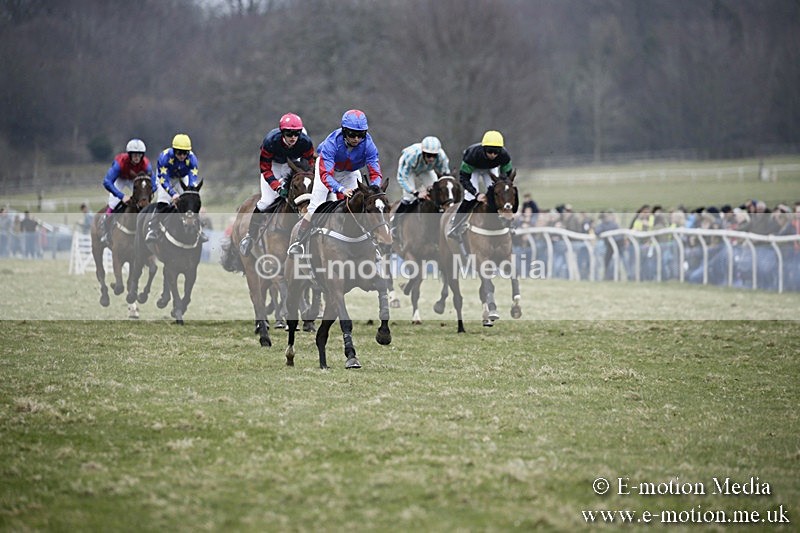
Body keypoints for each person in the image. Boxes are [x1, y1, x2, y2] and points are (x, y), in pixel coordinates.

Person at [287, 109, 382, 255]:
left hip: (349, 172)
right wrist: (341, 190)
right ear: (344, 131)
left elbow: (375, 172)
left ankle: (370, 243)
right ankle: (299, 242)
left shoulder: (369, 145)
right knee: (315, 206)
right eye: (352, 134)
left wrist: (374, 189)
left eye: (360, 134)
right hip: (326, 171)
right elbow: (326, 176)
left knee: (359, 204)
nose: (356, 138)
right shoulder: (331, 143)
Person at [239, 113, 316, 255]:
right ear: (282, 133)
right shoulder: (270, 141)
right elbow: (265, 168)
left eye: (296, 133)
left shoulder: (305, 142)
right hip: (272, 166)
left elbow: (310, 165)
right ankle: (249, 237)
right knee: (266, 201)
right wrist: (277, 187)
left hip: (292, 165)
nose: (293, 137)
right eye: (289, 133)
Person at [446, 130, 513, 258]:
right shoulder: (472, 155)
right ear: (484, 149)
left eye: (496, 152)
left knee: (496, 195)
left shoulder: (504, 156)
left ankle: (506, 222)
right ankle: (456, 224)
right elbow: (464, 178)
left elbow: (507, 179)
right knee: (470, 197)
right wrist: (476, 194)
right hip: (474, 169)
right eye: (489, 151)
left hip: (490, 170)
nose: (493, 155)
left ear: (500, 151)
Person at [145, 133, 206, 244]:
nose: (182, 156)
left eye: (185, 153)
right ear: (174, 150)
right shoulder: (164, 157)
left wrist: (189, 192)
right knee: (163, 201)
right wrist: (173, 194)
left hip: (182, 177)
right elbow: (163, 179)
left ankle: (199, 229)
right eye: (179, 152)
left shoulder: (192, 159)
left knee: (190, 201)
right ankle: (152, 228)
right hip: (165, 178)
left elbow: (192, 178)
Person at [390, 136, 450, 241]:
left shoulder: (442, 157)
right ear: (423, 153)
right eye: (428, 155)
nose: (431, 159)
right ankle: (395, 223)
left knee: (436, 192)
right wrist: (416, 193)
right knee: (409, 197)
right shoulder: (411, 156)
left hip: (427, 169)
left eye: (434, 156)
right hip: (410, 170)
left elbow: (445, 175)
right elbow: (402, 178)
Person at [100, 138, 155, 245]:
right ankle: (105, 230)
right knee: (113, 203)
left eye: (139, 155)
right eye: (134, 154)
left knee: (145, 203)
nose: (136, 157)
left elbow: (153, 183)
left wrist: (146, 197)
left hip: (135, 181)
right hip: (120, 179)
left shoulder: (146, 164)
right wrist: (122, 196)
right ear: (129, 155)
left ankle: (149, 229)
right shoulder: (119, 163)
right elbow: (107, 182)